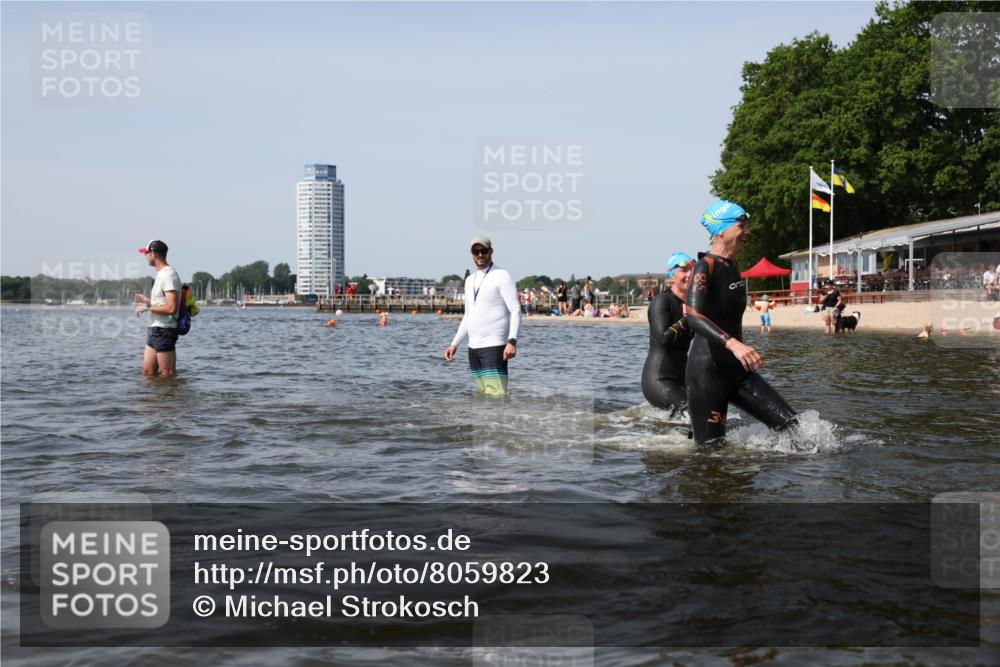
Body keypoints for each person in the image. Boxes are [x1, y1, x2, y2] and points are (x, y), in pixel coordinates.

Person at [685, 200, 798, 448]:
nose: (748, 231)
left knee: (793, 427)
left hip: (738, 371)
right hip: (707, 372)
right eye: (742, 225)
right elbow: (692, 315)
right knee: (711, 452)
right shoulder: (705, 266)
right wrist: (733, 344)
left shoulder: (732, 266)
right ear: (721, 230)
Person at [444, 235, 521, 396]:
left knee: (496, 396)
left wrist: (512, 341)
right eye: (476, 251)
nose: (480, 255)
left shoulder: (502, 275)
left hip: (494, 346)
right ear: (471, 254)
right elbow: (468, 316)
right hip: (473, 349)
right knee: (482, 397)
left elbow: (515, 310)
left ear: (491, 251)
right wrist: (454, 344)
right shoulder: (469, 280)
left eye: (483, 251)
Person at [642, 252, 695, 413]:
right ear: (672, 275)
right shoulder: (661, 301)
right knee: (693, 413)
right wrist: (687, 319)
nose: (689, 274)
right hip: (659, 380)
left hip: (682, 379)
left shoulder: (692, 304)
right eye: (684, 270)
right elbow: (663, 338)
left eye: (692, 270)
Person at [133, 239, 181, 377]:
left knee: (167, 375)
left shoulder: (169, 275)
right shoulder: (161, 274)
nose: (145, 256)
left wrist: (147, 307)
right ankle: (155, 393)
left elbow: (171, 308)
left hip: (165, 330)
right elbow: (161, 303)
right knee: (148, 372)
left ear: (154, 254)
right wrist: (146, 300)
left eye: (146, 253)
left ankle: (170, 392)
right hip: (154, 329)